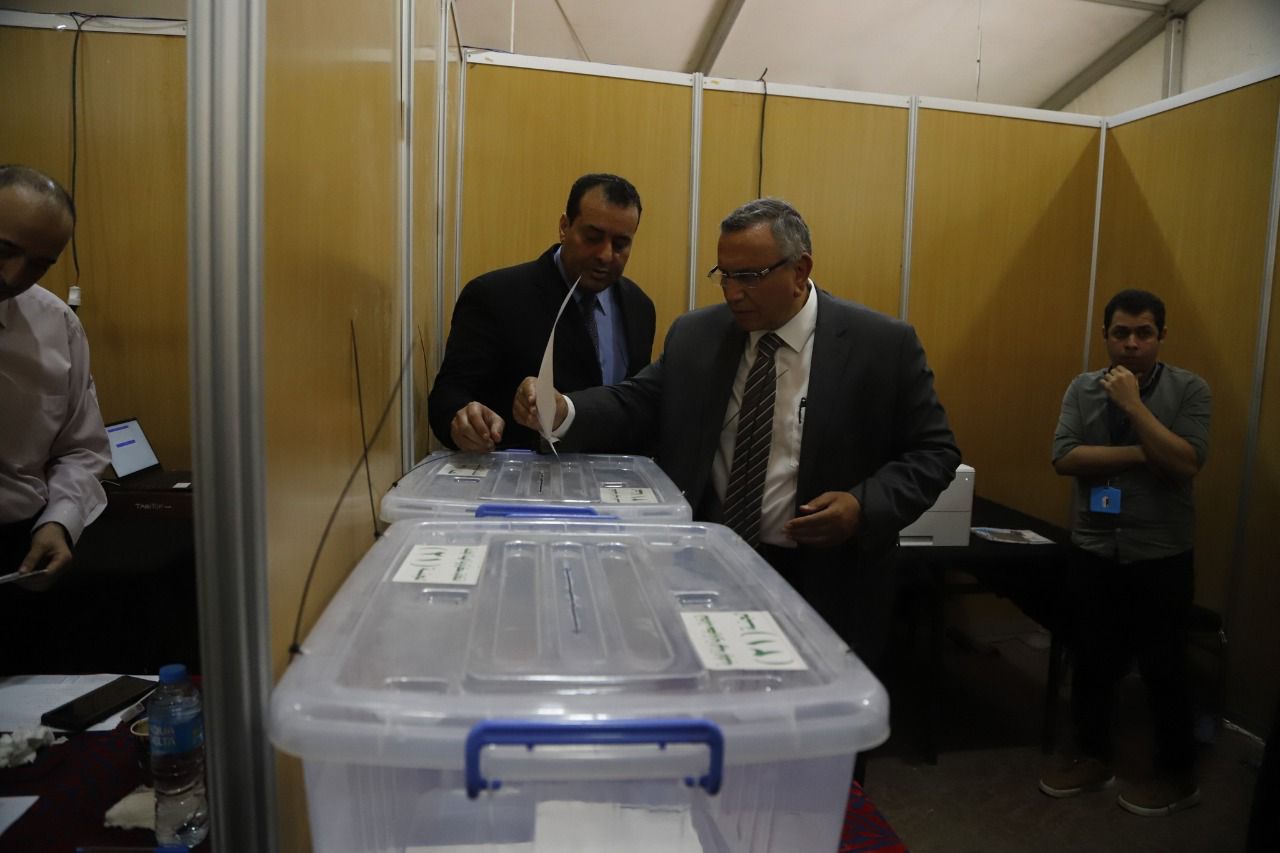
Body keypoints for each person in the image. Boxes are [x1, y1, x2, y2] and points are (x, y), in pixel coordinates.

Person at [513, 198, 959, 664]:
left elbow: (934, 452)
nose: (732, 293)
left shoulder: (881, 346)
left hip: (826, 581)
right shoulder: (697, 335)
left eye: (749, 276)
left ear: (800, 270)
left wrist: (862, 506)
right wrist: (561, 409)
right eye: (724, 275)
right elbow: (637, 401)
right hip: (705, 569)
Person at [1040, 288, 1210, 816]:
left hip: (1160, 552)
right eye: (1121, 333)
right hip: (1095, 545)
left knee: (1164, 667)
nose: (1131, 344)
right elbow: (1065, 457)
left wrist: (1134, 406)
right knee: (1092, 660)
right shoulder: (1082, 388)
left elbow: (1185, 463)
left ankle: (1177, 775)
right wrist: (1144, 452)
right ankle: (1093, 757)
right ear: (1106, 336)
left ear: (1161, 336)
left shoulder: (1189, 389)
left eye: (1143, 333)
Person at [427, 173, 655, 451]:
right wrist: (463, 420)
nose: (605, 255)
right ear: (564, 227)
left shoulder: (639, 307)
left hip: (613, 474)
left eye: (620, 244)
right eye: (593, 238)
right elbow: (448, 395)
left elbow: (635, 405)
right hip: (519, 471)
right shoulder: (494, 296)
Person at [0, 165, 110, 592]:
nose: (14, 277)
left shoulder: (57, 324)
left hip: (16, 548)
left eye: (38, 266)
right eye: (3, 250)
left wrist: (60, 521)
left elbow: (82, 448)